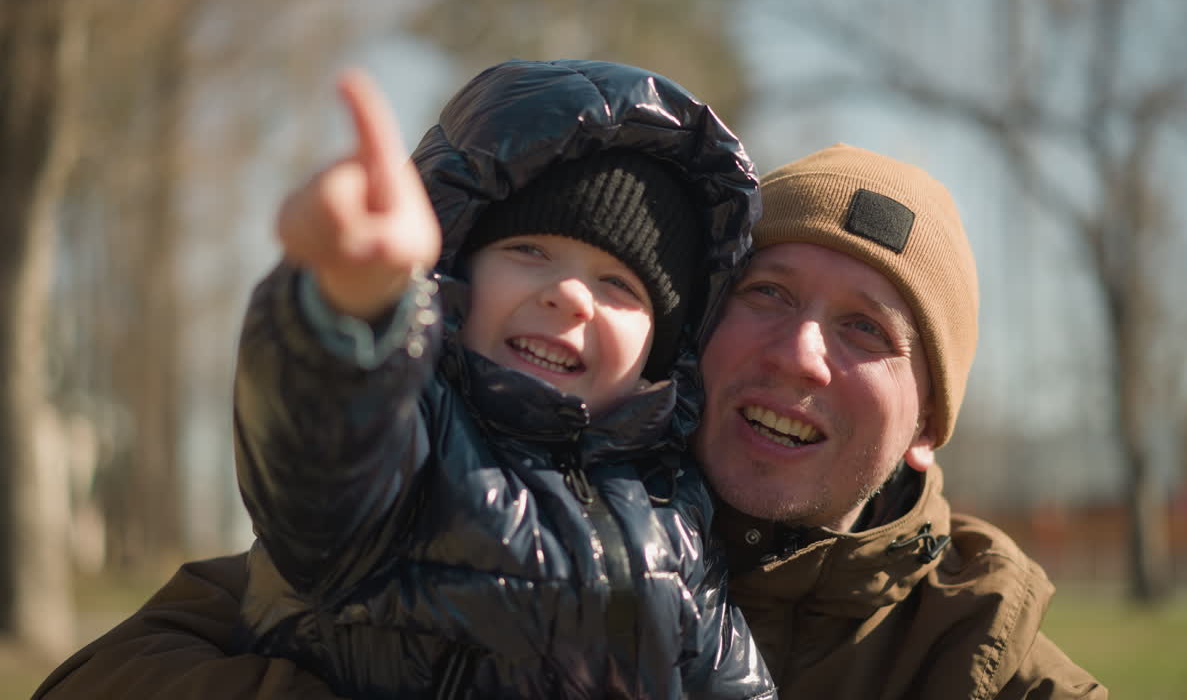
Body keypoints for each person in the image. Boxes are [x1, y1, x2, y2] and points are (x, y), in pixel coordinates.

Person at [33, 144, 1106, 699]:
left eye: (867, 329)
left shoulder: (978, 659)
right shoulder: (500, 504)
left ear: (929, 424)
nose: (798, 354)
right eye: (764, 297)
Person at [154, 58, 773, 700]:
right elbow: (321, 435)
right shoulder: (412, 448)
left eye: (618, 285)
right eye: (529, 251)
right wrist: (354, 307)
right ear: (454, 275)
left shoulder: (673, 509)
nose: (569, 296)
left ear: (661, 350)